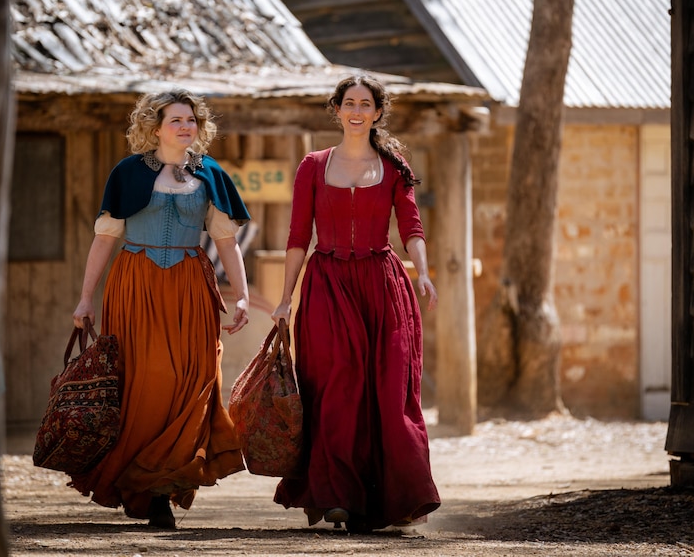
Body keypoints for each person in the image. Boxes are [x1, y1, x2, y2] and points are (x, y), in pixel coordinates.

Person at [69, 89, 250, 529]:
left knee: (192, 379)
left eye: (191, 120)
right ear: (155, 126)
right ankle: (145, 486)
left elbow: (226, 242)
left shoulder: (209, 175)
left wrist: (242, 295)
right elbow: (105, 238)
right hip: (137, 283)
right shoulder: (128, 173)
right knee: (146, 381)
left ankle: (167, 484)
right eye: (176, 120)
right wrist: (86, 296)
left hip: (190, 285)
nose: (186, 126)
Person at [271, 75, 441, 532]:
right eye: (350, 103)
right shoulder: (312, 165)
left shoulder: (394, 166)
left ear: (378, 112)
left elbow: (411, 227)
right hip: (327, 285)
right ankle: (337, 496)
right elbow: (296, 238)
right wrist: (285, 299)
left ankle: (392, 496)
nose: (357, 111)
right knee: (336, 388)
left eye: (366, 104)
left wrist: (421, 271)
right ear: (337, 109)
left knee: (388, 390)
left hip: (382, 286)